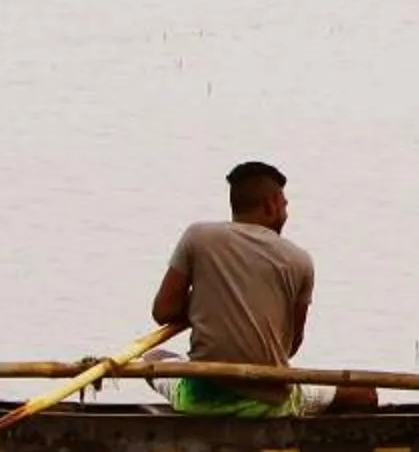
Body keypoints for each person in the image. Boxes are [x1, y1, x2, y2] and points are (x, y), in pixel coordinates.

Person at [151, 160, 371, 416]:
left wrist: (205, 306)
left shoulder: (197, 237)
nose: (286, 212)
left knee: (153, 358)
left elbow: (163, 312)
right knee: (364, 393)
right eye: (285, 205)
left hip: (199, 400)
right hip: (271, 405)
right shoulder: (299, 260)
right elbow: (290, 346)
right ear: (272, 205)